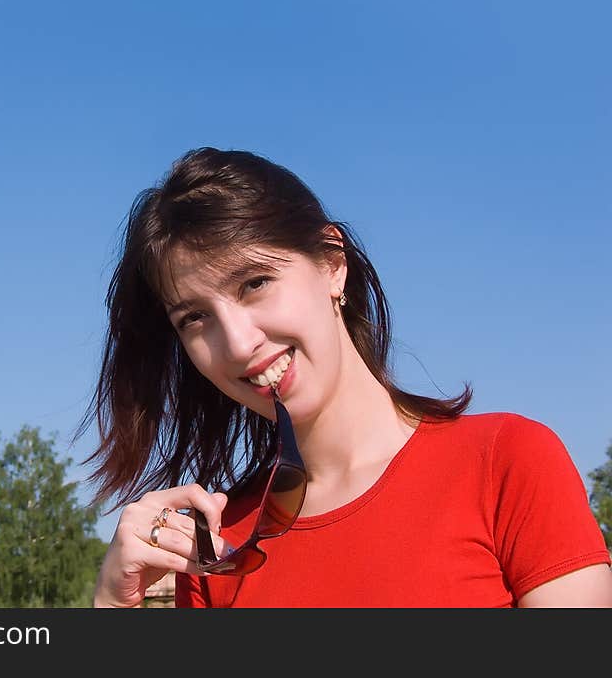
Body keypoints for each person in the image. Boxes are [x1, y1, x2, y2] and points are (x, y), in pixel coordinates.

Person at [75, 146, 612, 608]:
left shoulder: (506, 463)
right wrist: (110, 606)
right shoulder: (217, 550)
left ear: (333, 263)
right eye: (194, 318)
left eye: (255, 283)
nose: (238, 344)